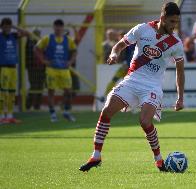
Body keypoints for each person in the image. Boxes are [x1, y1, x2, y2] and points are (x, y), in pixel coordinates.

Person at [79, 2, 184, 172]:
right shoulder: (142, 29)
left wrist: (181, 97)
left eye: (176, 22)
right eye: (172, 22)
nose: (174, 26)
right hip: (132, 80)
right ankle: (96, 156)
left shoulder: (176, 43)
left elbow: (180, 71)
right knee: (106, 111)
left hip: (152, 86)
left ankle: (158, 159)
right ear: (162, 18)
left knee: (144, 121)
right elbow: (120, 44)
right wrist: (114, 53)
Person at [35, 19, 77, 122]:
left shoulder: (68, 40)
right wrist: (43, 60)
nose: (58, 28)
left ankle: (66, 111)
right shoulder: (48, 38)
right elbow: (36, 48)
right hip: (51, 69)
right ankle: (53, 114)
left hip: (64, 69)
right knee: (51, 92)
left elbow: (75, 50)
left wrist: (70, 61)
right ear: (53, 27)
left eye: (60, 26)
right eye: (56, 26)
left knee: (68, 91)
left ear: (62, 28)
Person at [0, 18, 29, 124]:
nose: (7, 27)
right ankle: (2, 116)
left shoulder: (14, 35)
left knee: (12, 92)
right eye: (5, 25)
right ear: (2, 26)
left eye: (9, 25)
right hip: (3, 67)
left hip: (13, 67)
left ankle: (10, 115)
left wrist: (14, 27)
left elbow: (27, 33)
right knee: (3, 92)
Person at [26, 27, 45, 110]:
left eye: (38, 33)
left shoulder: (43, 43)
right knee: (34, 86)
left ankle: (37, 106)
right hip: (32, 67)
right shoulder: (30, 42)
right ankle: (28, 105)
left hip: (41, 68)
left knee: (40, 87)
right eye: (36, 33)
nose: (37, 34)